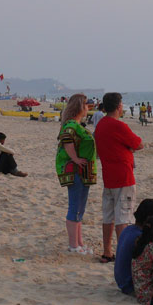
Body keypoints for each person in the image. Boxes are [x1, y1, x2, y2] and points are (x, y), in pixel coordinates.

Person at [94, 92, 143, 263]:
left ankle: (107, 251)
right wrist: (129, 149)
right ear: (118, 106)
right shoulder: (118, 125)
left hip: (109, 176)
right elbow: (138, 143)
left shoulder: (100, 126)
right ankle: (123, 255)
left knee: (109, 217)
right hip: (123, 177)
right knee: (124, 217)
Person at [55, 94, 97, 255]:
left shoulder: (77, 125)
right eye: (86, 104)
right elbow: (67, 141)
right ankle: (73, 245)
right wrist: (76, 159)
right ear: (79, 106)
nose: (88, 107)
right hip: (76, 172)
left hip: (84, 172)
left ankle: (79, 243)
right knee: (75, 208)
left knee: (80, 209)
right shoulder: (71, 125)